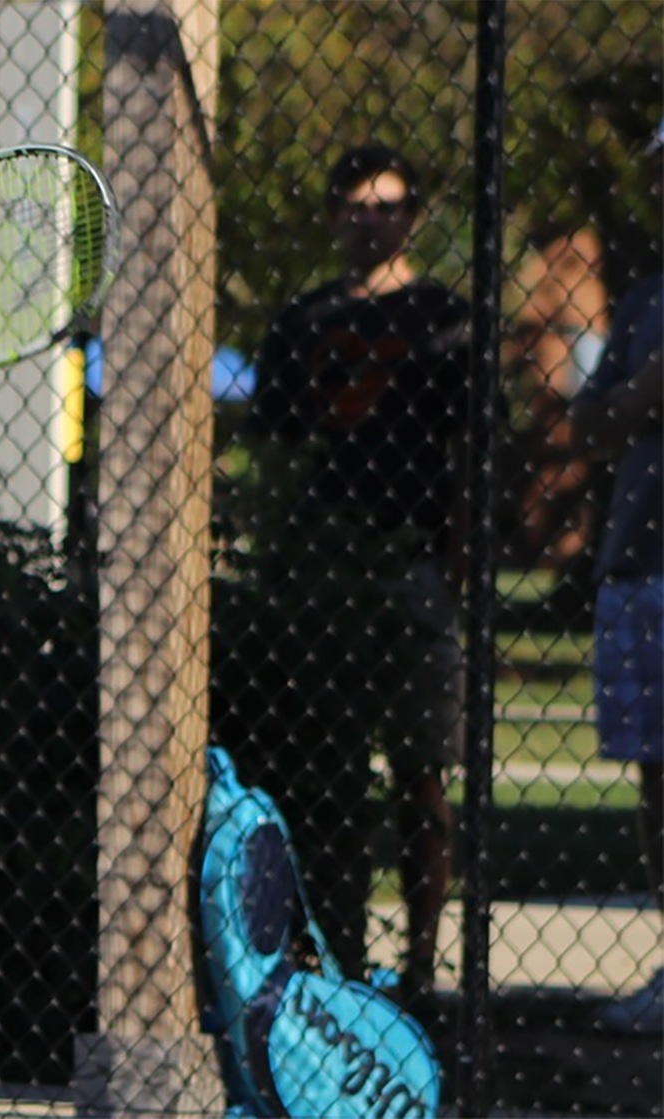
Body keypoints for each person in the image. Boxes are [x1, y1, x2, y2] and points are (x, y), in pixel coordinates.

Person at [244, 145, 473, 1006]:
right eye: (353, 205)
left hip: (410, 565)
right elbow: (272, 449)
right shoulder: (301, 321)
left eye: (385, 205)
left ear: (410, 217)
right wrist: (277, 552)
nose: (367, 219)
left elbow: (467, 454)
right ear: (333, 216)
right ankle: (332, 949)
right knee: (327, 772)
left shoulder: (444, 319)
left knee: (421, 771)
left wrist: (453, 565)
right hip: (324, 569)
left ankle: (421, 957)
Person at [570, 122, 663, 1035]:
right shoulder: (640, 303)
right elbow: (586, 426)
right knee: (656, 777)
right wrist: (646, 394)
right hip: (641, 560)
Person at [508, 225, 612, 585]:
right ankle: (551, 549)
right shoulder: (548, 271)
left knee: (575, 467)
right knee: (555, 466)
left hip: (585, 361)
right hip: (563, 369)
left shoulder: (586, 274)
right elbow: (528, 322)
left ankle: (569, 549)